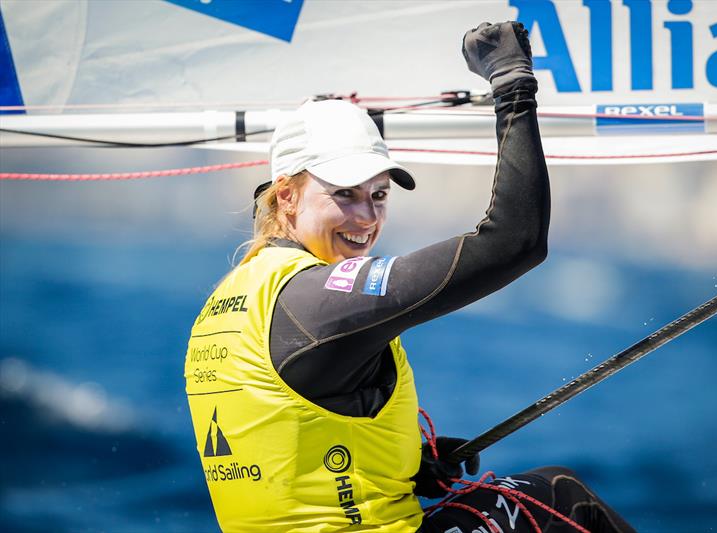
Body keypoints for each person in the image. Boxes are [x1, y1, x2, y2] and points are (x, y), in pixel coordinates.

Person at [185, 22, 636, 533]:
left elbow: (290, 437)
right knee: (560, 497)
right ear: (286, 195)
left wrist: (403, 463)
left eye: (378, 195)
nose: (367, 218)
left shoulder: (233, 299)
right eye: (345, 194)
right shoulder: (314, 302)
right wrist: (511, 86)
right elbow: (515, 242)